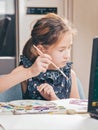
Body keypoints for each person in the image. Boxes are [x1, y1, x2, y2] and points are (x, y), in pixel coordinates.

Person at [20, 13, 80, 101]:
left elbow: (75, 111)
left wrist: (54, 99)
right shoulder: (26, 75)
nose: (68, 55)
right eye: (61, 50)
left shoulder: (70, 75)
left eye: (69, 47)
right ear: (41, 49)